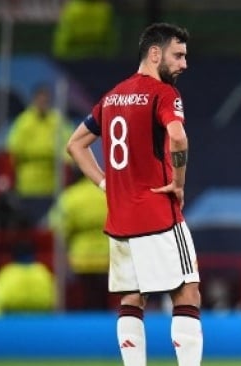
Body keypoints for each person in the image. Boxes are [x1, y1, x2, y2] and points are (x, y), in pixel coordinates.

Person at [66, 23, 201, 366]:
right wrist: (180, 182)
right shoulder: (163, 93)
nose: (184, 64)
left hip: (121, 218)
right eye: (178, 55)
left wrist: (103, 184)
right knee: (187, 291)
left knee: (132, 298)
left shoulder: (112, 97)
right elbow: (179, 136)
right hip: (158, 211)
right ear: (155, 54)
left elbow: (75, 144)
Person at [47, 170, 109, 310]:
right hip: (107, 257)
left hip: (81, 259)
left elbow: (57, 226)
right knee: (103, 299)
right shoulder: (107, 193)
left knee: (86, 298)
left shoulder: (70, 197)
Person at [6, 84, 74, 198]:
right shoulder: (23, 121)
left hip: (53, 186)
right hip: (28, 186)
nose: (43, 103)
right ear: (34, 100)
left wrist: (65, 159)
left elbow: (70, 145)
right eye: (40, 100)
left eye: (46, 100)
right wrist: (46, 151)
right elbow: (13, 150)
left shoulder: (57, 120)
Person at [0, 240, 56, 317]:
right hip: (40, 322)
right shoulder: (43, 272)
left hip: (11, 324)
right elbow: (54, 302)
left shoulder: (7, 274)